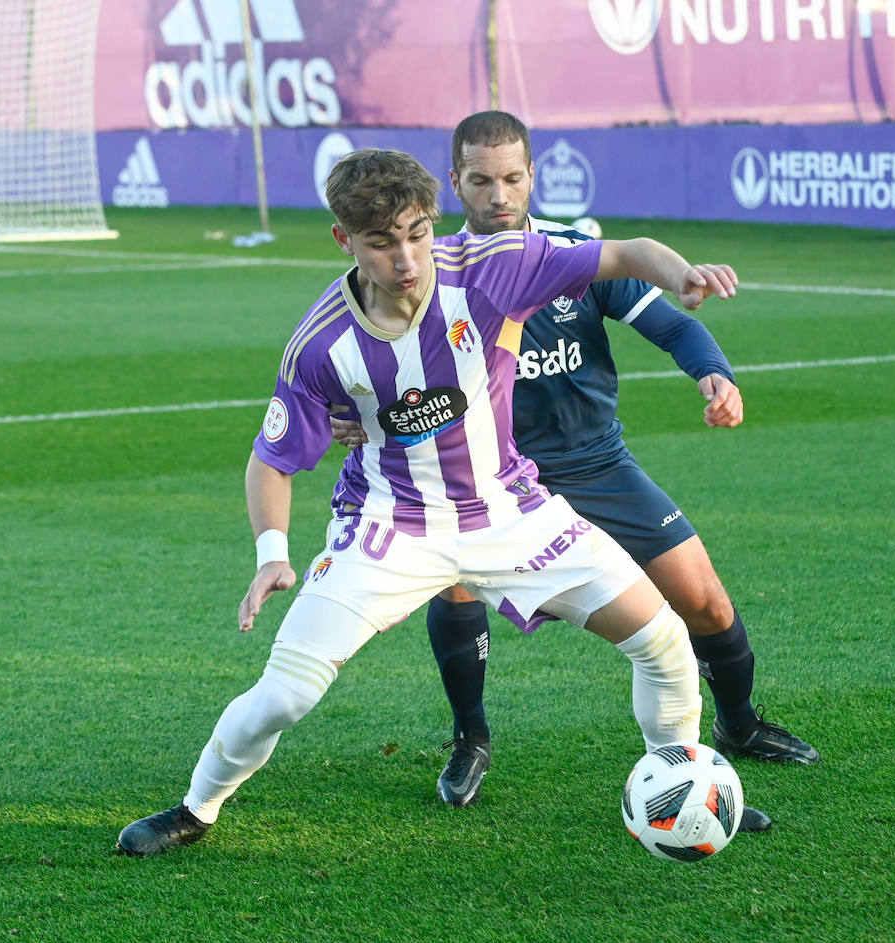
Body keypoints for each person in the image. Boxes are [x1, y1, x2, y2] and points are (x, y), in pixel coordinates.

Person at [116, 148, 743, 856]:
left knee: (661, 640)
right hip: (388, 525)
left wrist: (680, 274)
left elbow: (626, 252)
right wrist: (272, 552)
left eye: (416, 233)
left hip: (509, 509)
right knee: (286, 692)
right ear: (344, 240)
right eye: (382, 242)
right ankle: (197, 807)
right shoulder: (321, 342)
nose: (406, 259)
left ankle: (684, 787)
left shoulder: (492, 266)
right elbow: (273, 458)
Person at [335, 112, 818, 815]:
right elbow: (368, 364)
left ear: (531, 176)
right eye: (480, 180)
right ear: (455, 184)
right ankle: (471, 738)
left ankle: (737, 723)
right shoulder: (428, 274)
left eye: (510, 178)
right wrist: (355, 418)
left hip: (598, 465)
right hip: (489, 484)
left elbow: (672, 321)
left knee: (705, 599)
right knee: (457, 589)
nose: (498, 194)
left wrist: (712, 373)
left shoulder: (575, 257)